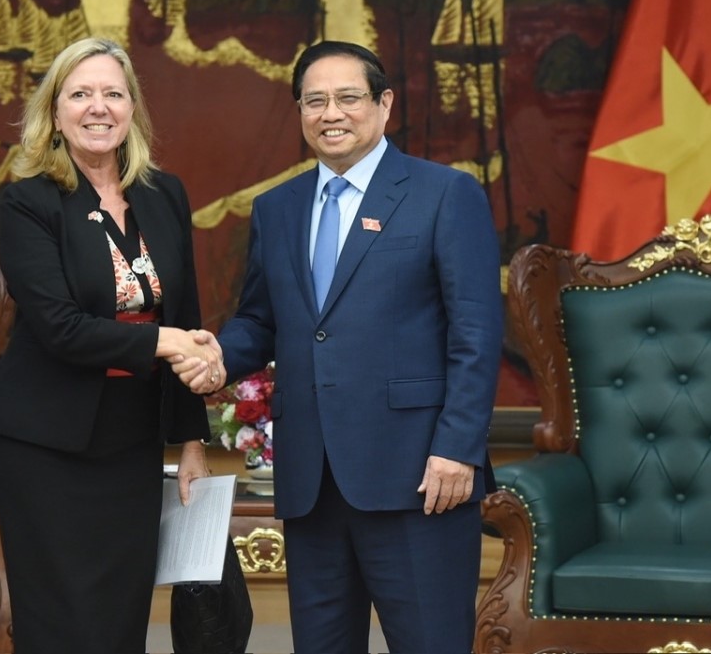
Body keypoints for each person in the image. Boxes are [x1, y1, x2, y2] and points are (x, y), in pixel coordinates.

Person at [175, 40, 502, 653]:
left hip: (419, 476)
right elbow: (260, 320)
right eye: (314, 101)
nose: (331, 114)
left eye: (348, 98)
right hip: (312, 483)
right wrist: (213, 357)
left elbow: (476, 334)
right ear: (299, 111)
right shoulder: (277, 208)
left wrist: (457, 449)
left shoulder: (444, 194)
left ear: (384, 104)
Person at [0, 37, 226, 653]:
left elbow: (185, 313)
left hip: (131, 440)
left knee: (120, 617)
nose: (98, 107)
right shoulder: (29, 201)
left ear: (132, 108)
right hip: (45, 444)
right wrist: (169, 341)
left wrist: (192, 443)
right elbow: (59, 327)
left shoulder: (164, 194)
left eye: (113, 93)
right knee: (62, 621)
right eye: (80, 94)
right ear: (54, 111)